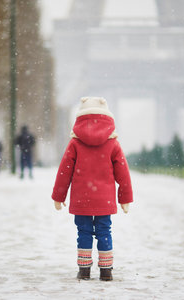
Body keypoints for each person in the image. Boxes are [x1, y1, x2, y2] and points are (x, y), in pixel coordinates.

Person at [51, 97, 133, 281]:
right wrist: (125, 197)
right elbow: (123, 173)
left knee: (84, 232)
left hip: (82, 198)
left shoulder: (75, 144)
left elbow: (65, 171)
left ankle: (84, 269)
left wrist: (59, 195)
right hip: (104, 199)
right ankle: (106, 270)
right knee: (104, 231)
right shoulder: (113, 144)